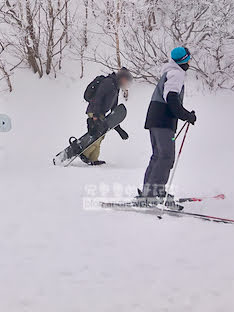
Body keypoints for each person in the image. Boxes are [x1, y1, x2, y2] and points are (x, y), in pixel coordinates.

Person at [141, 47, 197, 208]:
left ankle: (148, 193)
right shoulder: (176, 73)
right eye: (188, 59)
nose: (189, 63)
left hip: (155, 119)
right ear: (184, 60)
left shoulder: (169, 72)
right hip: (163, 120)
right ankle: (154, 195)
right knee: (166, 157)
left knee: (158, 156)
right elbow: (171, 97)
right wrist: (186, 115)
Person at [80, 67, 133, 166]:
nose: (126, 82)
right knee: (97, 135)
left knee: (101, 135)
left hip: (101, 113)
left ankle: (93, 158)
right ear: (122, 77)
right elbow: (98, 98)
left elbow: (114, 108)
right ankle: (85, 153)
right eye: (126, 79)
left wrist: (118, 128)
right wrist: (95, 116)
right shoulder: (108, 83)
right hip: (95, 110)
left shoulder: (116, 87)